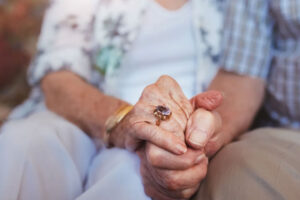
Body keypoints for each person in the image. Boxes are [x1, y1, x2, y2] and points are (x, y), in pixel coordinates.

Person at [0, 0, 224, 199]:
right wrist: (125, 120)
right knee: (24, 144)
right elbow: (58, 76)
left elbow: (240, 86)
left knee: (133, 177)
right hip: (80, 117)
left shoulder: (242, 6)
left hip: (176, 132)